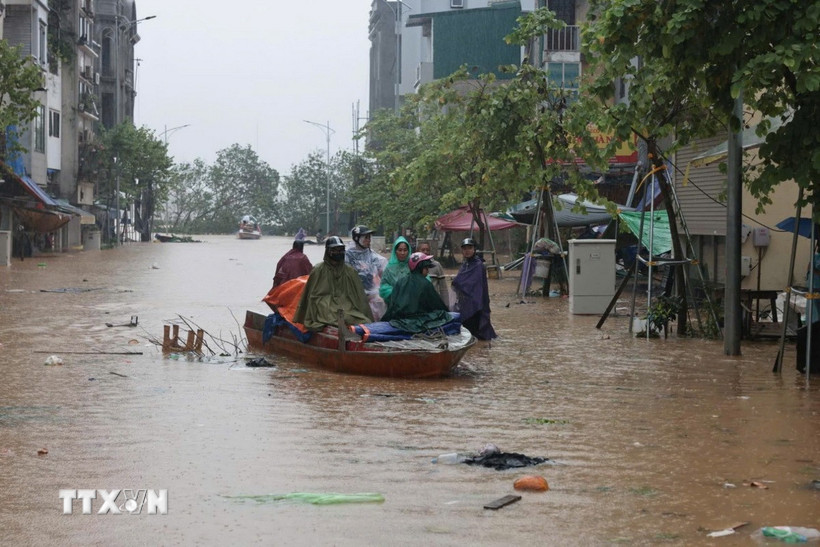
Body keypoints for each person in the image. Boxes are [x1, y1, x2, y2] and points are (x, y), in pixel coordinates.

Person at [294, 236, 374, 331]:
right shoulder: (318, 270)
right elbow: (310, 296)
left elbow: (360, 297)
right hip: (324, 307)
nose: (338, 252)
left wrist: (370, 320)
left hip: (346, 307)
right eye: (334, 250)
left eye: (340, 250)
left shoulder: (350, 271)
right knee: (334, 319)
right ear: (328, 251)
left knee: (363, 320)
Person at [382, 252, 451, 333]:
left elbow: (392, 304)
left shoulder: (400, 282)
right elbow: (437, 305)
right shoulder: (426, 283)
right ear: (420, 267)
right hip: (419, 323)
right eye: (426, 268)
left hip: (399, 321)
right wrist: (447, 313)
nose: (428, 271)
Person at [452, 237, 497, 340]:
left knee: (476, 332)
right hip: (465, 302)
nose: (467, 251)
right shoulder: (464, 265)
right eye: (464, 248)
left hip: (476, 303)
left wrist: (458, 282)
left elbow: (474, 283)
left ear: (474, 249)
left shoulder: (478, 265)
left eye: (469, 248)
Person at [345, 225, 387, 320]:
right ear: (356, 238)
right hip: (355, 294)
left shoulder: (370, 253)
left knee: (381, 303)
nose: (369, 240)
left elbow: (381, 263)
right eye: (366, 237)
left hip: (371, 293)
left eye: (369, 237)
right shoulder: (348, 254)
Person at [416, 241, 450, 309]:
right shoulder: (414, 266)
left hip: (434, 303)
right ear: (417, 251)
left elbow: (443, 288)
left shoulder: (436, 265)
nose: (425, 252)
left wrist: (446, 305)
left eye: (427, 250)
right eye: (423, 250)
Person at [379, 236, 411, 302]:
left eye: (405, 250)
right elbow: (383, 288)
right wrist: (396, 292)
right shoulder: (389, 268)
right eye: (400, 250)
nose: (402, 253)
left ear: (408, 251)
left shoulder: (413, 266)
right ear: (395, 251)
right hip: (394, 304)